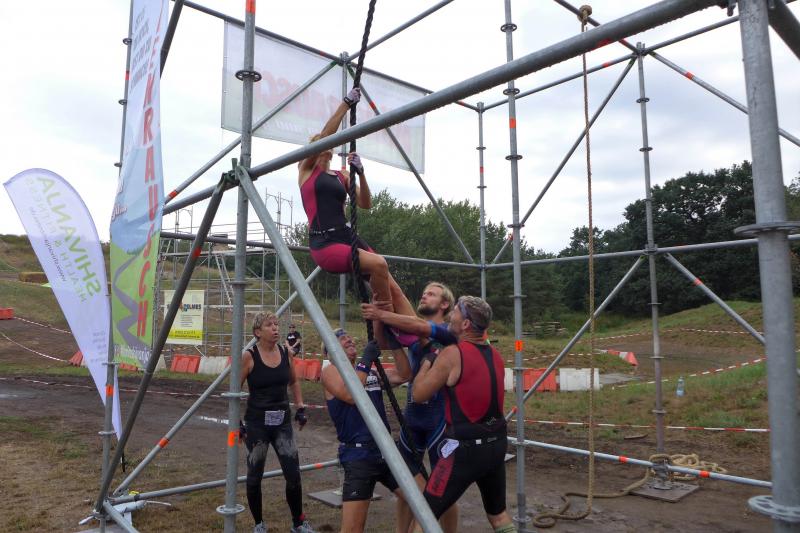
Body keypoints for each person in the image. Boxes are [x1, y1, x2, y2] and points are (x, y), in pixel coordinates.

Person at [297, 86, 415, 323]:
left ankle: (420, 335)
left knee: (393, 286)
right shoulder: (305, 171)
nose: (326, 146)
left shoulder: (342, 175)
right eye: (321, 143)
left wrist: (361, 173)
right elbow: (326, 135)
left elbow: (366, 203)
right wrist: (346, 104)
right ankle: (386, 321)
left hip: (347, 236)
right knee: (379, 264)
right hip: (325, 243)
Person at [410, 296, 516, 533]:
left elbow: (418, 394)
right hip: (496, 444)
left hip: (465, 450)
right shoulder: (495, 355)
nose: (451, 315)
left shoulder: (452, 355)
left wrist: (428, 362)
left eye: (456, 311)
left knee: (424, 515)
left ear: (466, 324)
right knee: (498, 515)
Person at [360, 282, 459, 533]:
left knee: (443, 491)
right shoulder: (414, 332)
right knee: (406, 485)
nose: (424, 296)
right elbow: (384, 341)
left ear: (444, 304)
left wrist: (382, 311)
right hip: (412, 419)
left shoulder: (447, 332)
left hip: (440, 422)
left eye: (431, 294)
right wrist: (379, 312)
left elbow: (413, 321)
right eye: (423, 293)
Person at [321, 328, 412, 533]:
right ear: (329, 352)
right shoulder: (330, 371)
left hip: (386, 452)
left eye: (349, 336)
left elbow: (405, 374)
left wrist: (394, 343)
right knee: (353, 528)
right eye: (341, 338)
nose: (348, 339)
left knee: (419, 500)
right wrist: (366, 360)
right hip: (358, 456)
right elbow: (350, 394)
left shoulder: (370, 373)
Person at [240, 312, 316, 533]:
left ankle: (298, 523)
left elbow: (294, 382)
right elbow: (234, 388)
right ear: (257, 332)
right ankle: (259, 525)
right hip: (257, 425)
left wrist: (300, 407)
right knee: (255, 475)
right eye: (269, 325)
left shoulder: (285, 352)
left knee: (293, 474)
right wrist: (237, 423)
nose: (275, 328)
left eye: (276, 324)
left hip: (282, 423)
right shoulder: (249, 356)